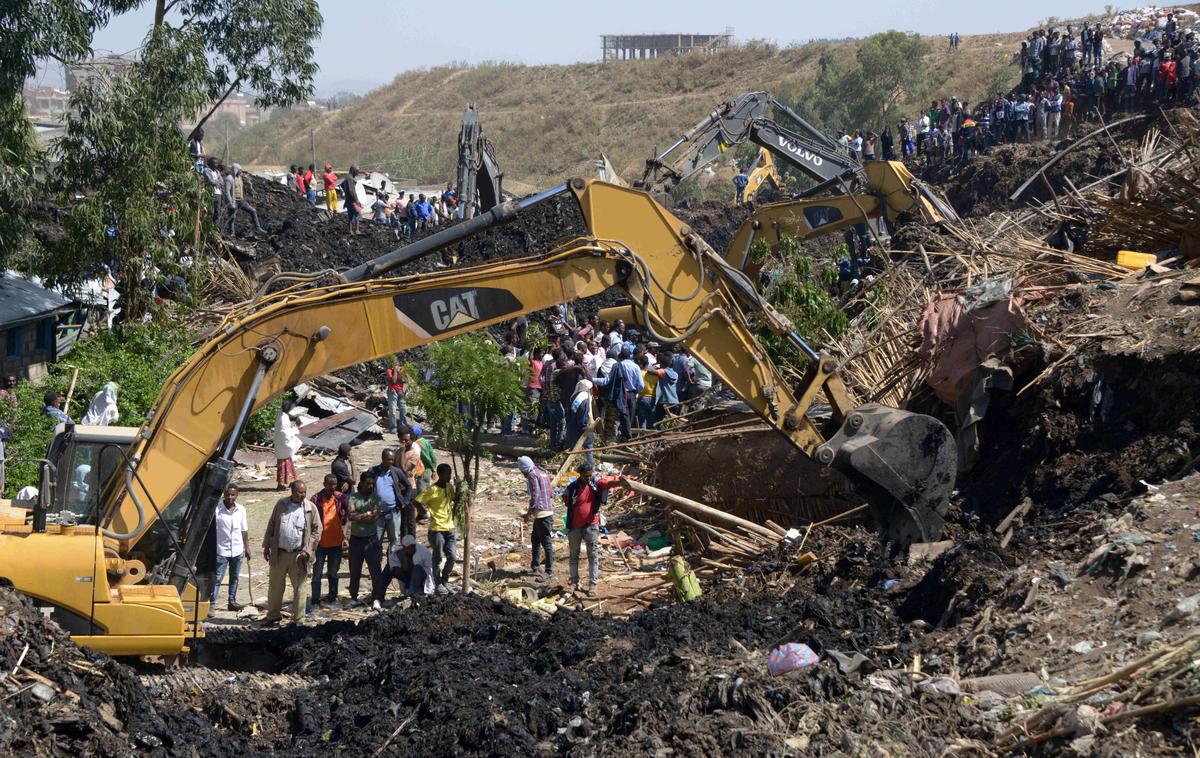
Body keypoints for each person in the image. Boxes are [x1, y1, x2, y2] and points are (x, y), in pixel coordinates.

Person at [262, 480, 321, 624]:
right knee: (275, 587)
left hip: (299, 556)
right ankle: (273, 616)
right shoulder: (281, 504)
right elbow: (272, 525)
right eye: (300, 492)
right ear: (292, 492)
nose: (303, 495)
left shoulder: (310, 508)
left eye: (304, 492)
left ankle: (299, 619)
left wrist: (308, 550)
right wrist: (267, 546)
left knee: (300, 588)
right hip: (280, 553)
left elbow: (317, 531)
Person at [563, 462, 618, 595]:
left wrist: (616, 481)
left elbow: (605, 484)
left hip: (591, 526)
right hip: (575, 526)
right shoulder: (572, 488)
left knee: (592, 556)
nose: (588, 478)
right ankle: (574, 582)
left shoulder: (595, 484)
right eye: (586, 476)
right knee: (574, 555)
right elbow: (566, 501)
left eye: (590, 475)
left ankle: (593, 584)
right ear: (580, 474)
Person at [416, 462, 457, 593]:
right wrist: (426, 513)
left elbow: (455, 500)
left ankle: (445, 579)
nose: (449, 477)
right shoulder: (432, 490)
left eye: (450, 474)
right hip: (437, 529)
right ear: (440, 475)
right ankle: (437, 582)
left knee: (452, 556)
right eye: (446, 474)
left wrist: (461, 488)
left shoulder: (449, 487)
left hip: (450, 527)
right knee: (438, 557)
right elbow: (416, 501)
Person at [346, 471, 384, 609]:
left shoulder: (376, 498)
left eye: (372, 484)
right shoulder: (353, 498)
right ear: (361, 483)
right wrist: (366, 514)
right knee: (354, 570)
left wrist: (360, 515)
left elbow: (373, 518)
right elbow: (350, 516)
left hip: (371, 540)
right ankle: (353, 597)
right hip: (356, 540)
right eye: (368, 483)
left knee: (375, 570)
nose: (370, 486)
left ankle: (377, 598)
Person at [309, 473, 347, 609]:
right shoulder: (315, 499)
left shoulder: (340, 498)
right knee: (317, 573)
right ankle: (315, 599)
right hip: (320, 544)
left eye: (334, 484)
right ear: (324, 484)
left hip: (336, 543)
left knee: (333, 573)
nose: (332, 487)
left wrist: (345, 534)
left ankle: (332, 596)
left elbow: (347, 515)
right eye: (329, 484)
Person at [212, 484, 249, 611]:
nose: (230, 497)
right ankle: (212, 605)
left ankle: (231, 602)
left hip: (237, 550)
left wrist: (247, 547)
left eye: (233, 495)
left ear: (237, 495)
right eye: (227, 494)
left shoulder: (241, 510)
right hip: (221, 550)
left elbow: (244, 530)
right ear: (224, 495)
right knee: (217, 578)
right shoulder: (217, 510)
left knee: (234, 577)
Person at [517, 456, 554, 577]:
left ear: (524, 468)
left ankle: (549, 571)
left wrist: (529, 513)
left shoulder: (532, 475)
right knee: (535, 540)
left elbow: (535, 495)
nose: (522, 473)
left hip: (542, 513)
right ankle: (535, 566)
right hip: (546, 510)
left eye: (521, 470)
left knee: (546, 543)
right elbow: (550, 492)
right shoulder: (542, 472)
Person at [369, 448, 412, 546]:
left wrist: (405, 502)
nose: (391, 462)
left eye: (392, 460)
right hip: (378, 513)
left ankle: (392, 561)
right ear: (382, 458)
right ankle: (377, 561)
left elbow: (408, 486)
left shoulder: (396, 472)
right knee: (376, 540)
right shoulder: (373, 471)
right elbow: (364, 487)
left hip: (393, 511)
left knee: (394, 540)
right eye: (389, 459)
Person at [223, 164, 267, 236]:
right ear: (235, 170)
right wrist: (231, 203)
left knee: (253, 210)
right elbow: (227, 192)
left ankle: (257, 228)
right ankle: (231, 232)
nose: (241, 171)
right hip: (233, 201)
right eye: (239, 170)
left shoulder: (239, 177)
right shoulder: (229, 178)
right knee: (232, 217)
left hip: (241, 200)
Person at [397, 426, 428, 522]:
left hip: (408, 486)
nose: (404, 443)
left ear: (412, 440)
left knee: (410, 516)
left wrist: (402, 453)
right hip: (398, 485)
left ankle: (424, 514)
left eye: (406, 441)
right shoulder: (398, 451)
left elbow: (404, 469)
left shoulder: (414, 453)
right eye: (402, 441)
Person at [273, 399, 302, 490]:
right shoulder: (283, 418)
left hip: (282, 444)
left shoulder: (281, 415)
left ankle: (291, 482)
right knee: (283, 466)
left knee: (289, 464)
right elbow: (284, 433)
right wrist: (294, 430)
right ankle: (281, 485)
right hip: (284, 444)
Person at [566, 378, 594, 468]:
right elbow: (584, 419)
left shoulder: (574, 397)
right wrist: (587, 430)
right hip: (582, 430)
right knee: (588, 449)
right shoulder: (585, 400)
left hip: (572, 428)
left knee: (572, 450)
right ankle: (591, 470)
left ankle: (564, 468)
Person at [339, 165, 363, 235]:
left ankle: (350, 230)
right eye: (357, 171)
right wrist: (357, 200)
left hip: (348, 200)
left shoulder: (347, 178)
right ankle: (357, 230)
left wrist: (346, 194)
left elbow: (342, 185)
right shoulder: (350, 179)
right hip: (352, 201)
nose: (358, 173)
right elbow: (352, 191)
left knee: (350, 216)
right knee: (358, 214)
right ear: (353, 170)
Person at [412, 424, 436, 495]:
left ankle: (423, 505)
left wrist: (433, 469)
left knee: (422, 491)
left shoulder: (417, 444)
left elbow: (427, 458)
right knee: (426, 488)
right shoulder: (426, 442)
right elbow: (432, 456)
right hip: (427, 470)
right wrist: (434, 469)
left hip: (423, 470)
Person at [384, 361, 407, 432]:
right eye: (395, 364)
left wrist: (404, 391)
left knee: (403, 410)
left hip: (400, 392)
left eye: (398, 364)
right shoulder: (389, 371)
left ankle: (402, 426)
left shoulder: (402, 370)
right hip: (392, 391)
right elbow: (393, 381)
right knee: (393, 410)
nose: (397, 366)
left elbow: (405, 381)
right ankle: (393, 427)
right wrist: (395, 372)